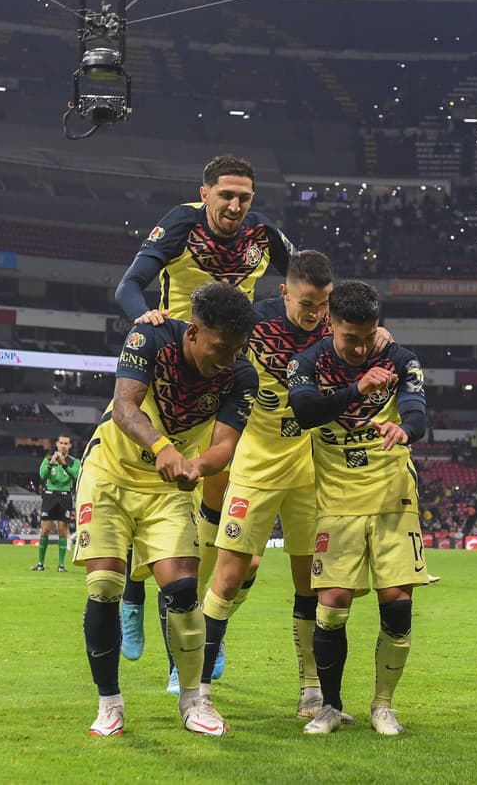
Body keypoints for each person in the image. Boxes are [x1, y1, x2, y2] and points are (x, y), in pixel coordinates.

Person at [114, 154, 293, 676]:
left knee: (219, 508)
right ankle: (132, 591)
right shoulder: (180, 224)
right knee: (160, 498)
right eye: (226, 196)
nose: (235, 206)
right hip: (170, 370)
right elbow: (128, 286)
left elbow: (303, 275)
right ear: (205, 193)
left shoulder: (264, 235)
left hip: (233, 376)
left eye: (245, 198)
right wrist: (141, 317)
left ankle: (206, 630)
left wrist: (348, 320)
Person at [73, 282, 258, 738]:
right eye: (220, 347)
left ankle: (193, 700)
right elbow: (124, 407)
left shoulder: (241, 376)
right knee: (104, 586)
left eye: (236, 349)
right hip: (110, 475)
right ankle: (109, 704)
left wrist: (197, 464)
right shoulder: (150, 339)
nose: (228, 359)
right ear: (193, 332)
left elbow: (226, 445)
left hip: (169, 488)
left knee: (181, 594)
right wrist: (162, 446)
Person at [286, 281, 429, 736]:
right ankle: (329, 706)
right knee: (330, 606)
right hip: (336, 503)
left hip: (393, 497)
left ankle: (383, 705)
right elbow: (305, 412)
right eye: (351, 338)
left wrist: (406, 429)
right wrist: (357, 387)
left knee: (398, 603)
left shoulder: (400, 359)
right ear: (331, 325)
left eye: (368, 337)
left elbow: (417, 410)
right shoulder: (307, 362)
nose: (361, 347)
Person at [198, 250, 335, 722]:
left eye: (321, 303)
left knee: (309, 584)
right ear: (284, 293)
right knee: (229, 576)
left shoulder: (334, 333)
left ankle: (311, 689)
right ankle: (197, 688)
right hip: (254, 465)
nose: (314, 313)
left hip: (308, 471)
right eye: (305, 303)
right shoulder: (253, 328)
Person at [31, 435, 81, 572]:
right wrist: (51, 463)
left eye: (66, 443)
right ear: (57, 444)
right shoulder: (48, 459)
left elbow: (76, 475)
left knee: (62, 530)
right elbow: (42, 475)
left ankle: (61, 565)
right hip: (50, 496)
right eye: (61, 443)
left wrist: (63, 464)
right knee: (45, 529)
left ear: (70, 446)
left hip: (65, 496)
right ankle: (40, 564)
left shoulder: (74, 461)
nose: (63, 445)